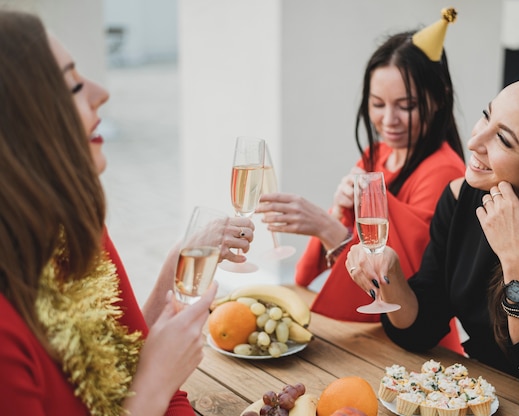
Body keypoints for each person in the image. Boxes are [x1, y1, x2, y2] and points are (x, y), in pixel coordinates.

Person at [345, 11, 519, 387]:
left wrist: (516, 260)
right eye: (486, 116)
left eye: (504, 139)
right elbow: (420, 329)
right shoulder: (461, 198)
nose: (475, 141)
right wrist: (390, 273)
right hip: (483, 391)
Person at [0, 10, 254, 414]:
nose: (101, 91)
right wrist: (155, 384)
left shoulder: (79, 231)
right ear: (19, 125)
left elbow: (133, 357)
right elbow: (147, 383)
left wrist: (175, 267)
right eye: (73, 85)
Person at [256, 9, 465, 338]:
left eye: (406, 106)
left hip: (419, 343)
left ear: (439, 99)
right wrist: (338, 212)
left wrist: (328, 229)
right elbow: (306, 274)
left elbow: (407, 287)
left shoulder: (446, 172)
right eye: (378, 104)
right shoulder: (375, 155)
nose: (389, 120)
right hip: (367, 339)